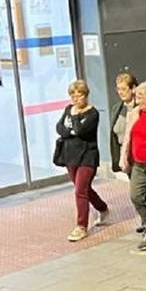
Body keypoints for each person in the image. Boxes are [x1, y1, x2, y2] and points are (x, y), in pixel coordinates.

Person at [56, 79, 109, 243]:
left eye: (79, 96)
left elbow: (81, 130)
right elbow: (60, 128)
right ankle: (102, 208)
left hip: (87, 156)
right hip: (70, 155)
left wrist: (74, 122)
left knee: (80, 189)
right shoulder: (67, 109)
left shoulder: (93, 113)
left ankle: (81, 226)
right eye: (72, 96)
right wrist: (69, 129)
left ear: (85, 96)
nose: (75, 100)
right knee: (84, 189)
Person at [119, 81, 146, 251]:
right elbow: (128, 137)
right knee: (136, 195)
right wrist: (124, 157)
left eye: (142, 98)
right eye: (138, 97)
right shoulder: (135, 113)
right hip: (139, 163)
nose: (138, 101)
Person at [111, 71, 138, 172]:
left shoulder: (140, 107)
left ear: (133, 89)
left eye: (123, 89)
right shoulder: (116, 109)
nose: (120, 92)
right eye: (118, 89)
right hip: (124, 155)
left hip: (138, 154)